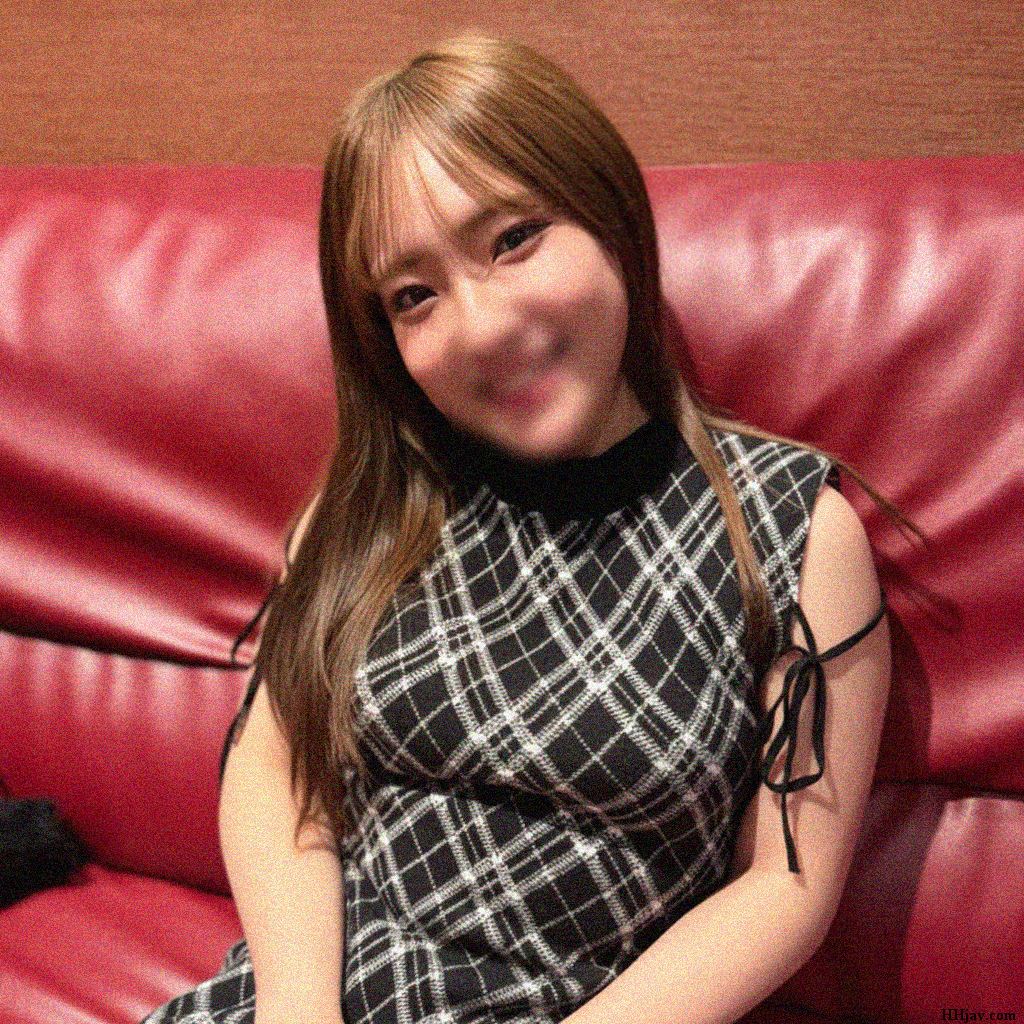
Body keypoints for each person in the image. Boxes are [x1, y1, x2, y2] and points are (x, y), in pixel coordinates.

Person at [141, 30, 922, 1024]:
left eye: (512, 239)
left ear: (609, 216)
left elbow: (783, 887)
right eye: (414, 296)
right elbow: (274, 766)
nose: (482, 326)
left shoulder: (789, 533)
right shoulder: (369, 510)